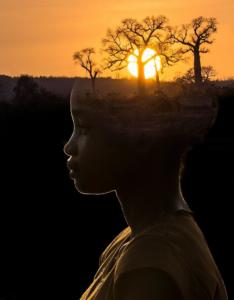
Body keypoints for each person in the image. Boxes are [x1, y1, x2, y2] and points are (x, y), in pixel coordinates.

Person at [63, 81, 228, 300]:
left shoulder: (151, 265)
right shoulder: (133, 239)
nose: (69, 146)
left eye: (84, 128)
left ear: (142, 138)